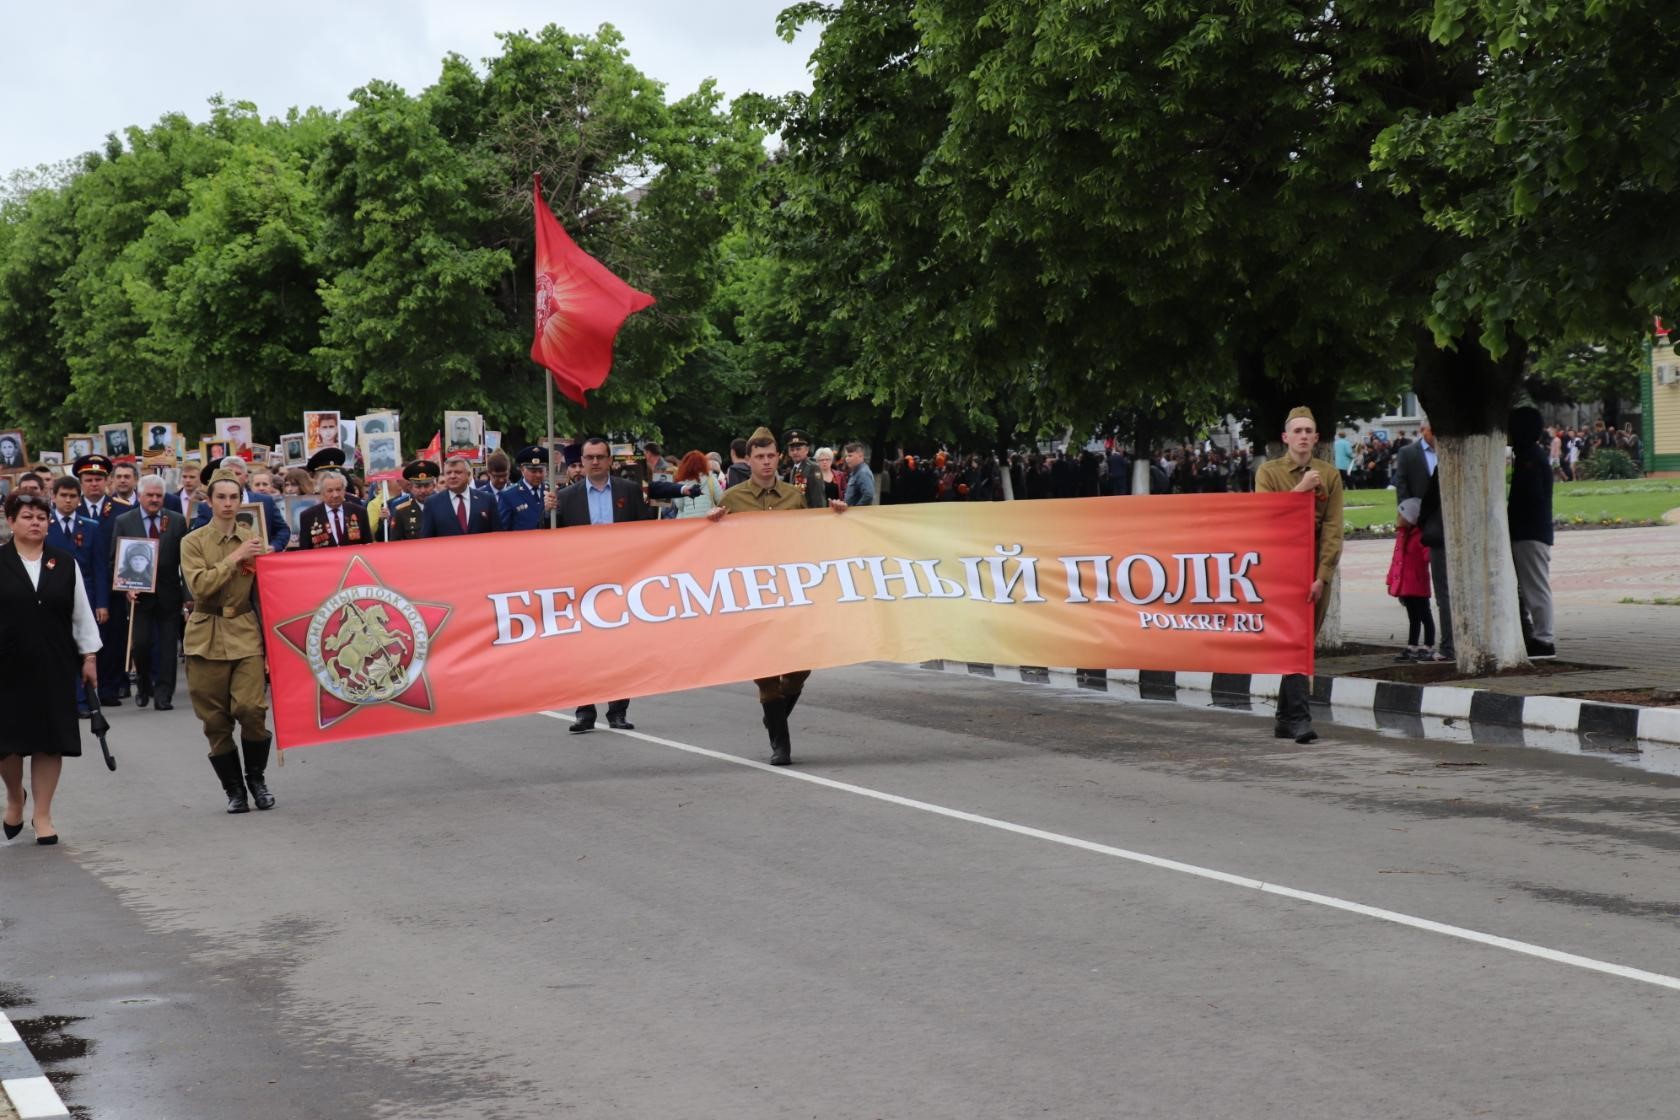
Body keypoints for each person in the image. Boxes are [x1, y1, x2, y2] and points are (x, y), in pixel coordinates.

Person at [709, 427, 850, 765]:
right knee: (767, 673)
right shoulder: (733, 499)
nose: (766, 462)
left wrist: (837, 517)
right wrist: (710, 525)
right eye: (760, 457)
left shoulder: (793, 496)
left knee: (801, 666)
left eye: (771, 456)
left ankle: (773, 717)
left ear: (779, 457)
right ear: (750, 459)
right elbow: (716, 549)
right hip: (752, 596)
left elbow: (809, 536)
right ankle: (780, 745)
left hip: (791, 594)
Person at [0, 492, 102, 845]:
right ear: (11, 521)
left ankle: (42, 813)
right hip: (7, 667)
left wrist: (89, 657)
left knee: (49, 741)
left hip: (54, 663)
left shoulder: (64, 561)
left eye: (42, 517)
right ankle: (15, 796)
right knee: (7, 744)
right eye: (27, 516)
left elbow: (81, 614)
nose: (35, 523)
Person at [181, 470, 275, 813]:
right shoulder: (193, 541)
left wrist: (272, 641)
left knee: (251, 710)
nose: (227, 504)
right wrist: (234, 558)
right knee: (216, 721)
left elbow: (266, 593)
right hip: (206, 633)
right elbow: (200, 587)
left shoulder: (252, 538)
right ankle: (234, 790)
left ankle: (257, 780)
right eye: (221, 497)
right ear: (209, 501)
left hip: (246, 632)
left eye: (234, 498)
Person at [1255, 407, 1344, 743]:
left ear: (1317, 438)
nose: (1304, 436)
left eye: (1309, 431)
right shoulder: (1269, 472)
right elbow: (1265, 516)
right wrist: (1301, 490)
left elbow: (1334, 529)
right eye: (1298, 431)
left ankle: (1283, 718)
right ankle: (1300, 721)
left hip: (1314, 570)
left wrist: (1322, 576)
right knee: (1296, 641)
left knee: (1305, 641)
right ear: (1286, 438)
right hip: (1280, 569)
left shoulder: (1330, 475)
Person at [554, 436, 653, 732]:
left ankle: (618, 709)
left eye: (600, 457)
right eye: (589, 457)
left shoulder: (629, 491)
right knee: (583, 649)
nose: (595, 462)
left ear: (610, 460)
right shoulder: (566, 497)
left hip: (621, 580)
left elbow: (645, 533)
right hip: (581, 582)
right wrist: (547, 513)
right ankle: (585, 710)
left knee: (619, 647)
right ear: (581, 463)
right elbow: (545, 538)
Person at [108, 476, 190, 710]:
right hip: (139, 596)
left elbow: (185, 562)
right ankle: (144, 684)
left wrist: (187, 596)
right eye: (150, 495)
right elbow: (115, 559)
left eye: (159, 495)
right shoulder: (125, 520)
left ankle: (164, 694)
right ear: (140, 495)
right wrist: (125, 588)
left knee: (167, 648)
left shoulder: (175, 521)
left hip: (169, 592)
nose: (154, 500)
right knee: (141, 645)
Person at [1395, 420, 1451, 662]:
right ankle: (1420, 641)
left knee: (1443, 587)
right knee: (1418, 586)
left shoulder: (1449, 451)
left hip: (1444, 526)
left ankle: (1438, 642)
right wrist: (1407, 517)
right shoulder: (1408, 453)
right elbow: (1402, 486)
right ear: (1423, 430)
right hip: (1419, 527)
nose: (1435, 436)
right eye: (1432, 431)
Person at [1509, 407, 1555, 658]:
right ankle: (1537, 636)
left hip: (1530, 533)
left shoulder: (1530, 459)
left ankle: (1544, 639)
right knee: (1530, 587)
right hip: (1528, 532)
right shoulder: (1529, 455)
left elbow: (1530, 497)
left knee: (1535, 587)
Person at [191, 456, 292, 551]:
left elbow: (283, 530)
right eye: (228, 473)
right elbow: (199, 537)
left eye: (237, 473)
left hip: (260, 562)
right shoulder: (207, 506)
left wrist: (273, 547)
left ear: (246, 477)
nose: (233, 477)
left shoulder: (266, 501)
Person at [1386, 497, 1436, 661]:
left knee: (1425, 616)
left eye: (1401, 515)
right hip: (1405, 586)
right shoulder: (1402, 536)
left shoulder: (1420, 536)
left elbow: (1428, 555)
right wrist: (1391, 580)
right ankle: (1412, 645)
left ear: (1410, 518)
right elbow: (1396, 560)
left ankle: (1428, 645)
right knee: (1413, 617)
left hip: (1418, 584)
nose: (1397, 518)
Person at [421, 456, 501, 536]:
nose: (452, 476)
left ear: (468, 475)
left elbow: (497, 534)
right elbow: (427, 539)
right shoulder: (432, 503)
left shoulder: (487, 499)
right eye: (448, 473)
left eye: (458, 472)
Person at [298, 470, 371, 548]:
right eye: (330, 491)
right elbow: (305, 550)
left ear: (344, 490)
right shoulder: (308, 516)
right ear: (321, 493)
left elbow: (367, 545)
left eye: (338, 490)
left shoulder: (359, 512)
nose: (335, 495)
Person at [498, 446, 556, 531]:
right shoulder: (508, 495)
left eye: (541, 471)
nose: (538, 475)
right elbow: (502, 530)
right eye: (533, 471)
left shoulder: (552, 491)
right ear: (522, 469)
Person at [389, 460, 439, 541]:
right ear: (410, 488)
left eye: (426, 486)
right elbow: (395, 542)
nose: (423, 491)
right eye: (418, 486)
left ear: (434, 486)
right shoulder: (401, 512)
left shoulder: (444, 506)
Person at [669, 450, 725, 518]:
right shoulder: (711, 478)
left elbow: (680, 506)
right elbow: (721, 500)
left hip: (687, 521)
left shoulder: (680, 482)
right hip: (708, 520)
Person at [782, 429, 826, 509]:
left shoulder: (812, 468)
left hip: (809, 515)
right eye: (792, 450)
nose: (795, 452)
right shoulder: (794, 469)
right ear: (788, 453)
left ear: (806, 450)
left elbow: (818, 498)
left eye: (798, 449)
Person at [842, 442, 876, 507]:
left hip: (857, 514)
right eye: (846, 456)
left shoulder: (863, 472)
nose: (847, 459)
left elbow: (869, 495)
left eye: (850, 456)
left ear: (861, 456)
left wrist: (857, 509)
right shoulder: (856, 471)